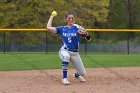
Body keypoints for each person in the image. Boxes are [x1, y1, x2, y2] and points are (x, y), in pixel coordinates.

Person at [47, 10, 91, 85]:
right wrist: (52, 16)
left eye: (72, 18)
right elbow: (48, 28)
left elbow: (89, 39)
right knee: (66, 56)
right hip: (64, 50)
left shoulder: (78, 27)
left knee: (82, 73)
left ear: (74, 19)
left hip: (75, 53)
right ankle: (64, 78)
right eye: (69, 18)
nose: (71, 19)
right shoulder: (62, 28)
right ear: (66, 19)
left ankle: (76, 75)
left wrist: (86, 35)